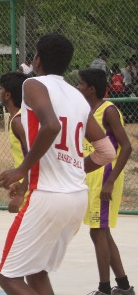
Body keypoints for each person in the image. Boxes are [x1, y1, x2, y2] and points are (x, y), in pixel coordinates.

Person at [0, 33, 117, 295]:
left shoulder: (34, 86)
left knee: (8, 277)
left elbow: (51, 125)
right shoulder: (77, 96)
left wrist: (22, 168)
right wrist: (74, 167)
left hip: (48, 196)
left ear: (37, 59)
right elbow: (107, 151)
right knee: (36, 272)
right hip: (76, 198)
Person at [77, 68, 135, 295]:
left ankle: (103, 289)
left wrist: (110, 181)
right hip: (91, 176)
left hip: (105, 176)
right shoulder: (86, 111)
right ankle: (123, 287)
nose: (78, 87)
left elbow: (126, 147)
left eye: (81, 84)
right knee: (100, 232)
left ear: (91, 89)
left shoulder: (108, 110)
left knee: (98, 231)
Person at [0, 71, 29, 213]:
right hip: (28, 184)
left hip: (32, 189)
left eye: (1, 89)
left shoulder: (19, 121)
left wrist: (22, 191)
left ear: (8, 95)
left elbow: (35, 158)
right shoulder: (21, 117)